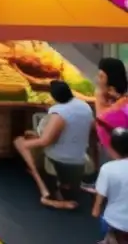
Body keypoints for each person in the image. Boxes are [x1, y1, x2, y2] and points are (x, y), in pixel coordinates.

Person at [14, 79, 93, 209]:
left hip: (61, 160)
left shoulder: (59, 113)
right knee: (30, 136)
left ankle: (45, 192)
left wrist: (26, 145)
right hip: (80, 158)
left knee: (19, 142)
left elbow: (46, 140)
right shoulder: (85, 106)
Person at [94, 128, 128, 243]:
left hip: (115, 221)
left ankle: (109, 239)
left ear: (111, 149)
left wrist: (95, 210)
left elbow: (99, 201)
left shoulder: (107, 168)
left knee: (105, 221)